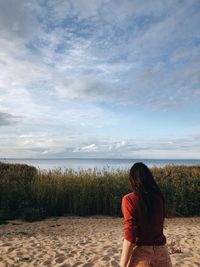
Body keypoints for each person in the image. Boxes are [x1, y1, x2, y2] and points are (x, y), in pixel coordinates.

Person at [119, 162, 173, 267]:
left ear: (132, 180)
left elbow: (130, 236)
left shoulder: (129, 199)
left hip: (143, 256)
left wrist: (121, 265)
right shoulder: (158, 197)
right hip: (163, 254)